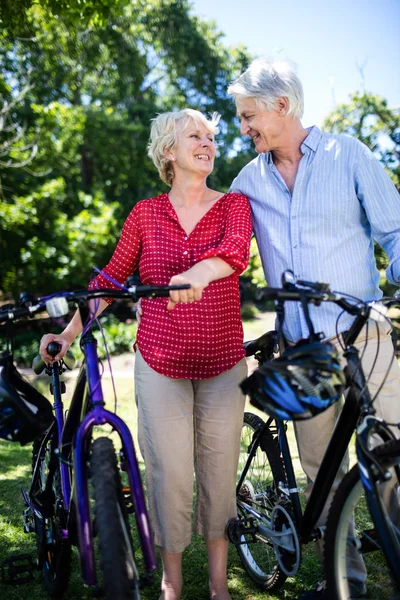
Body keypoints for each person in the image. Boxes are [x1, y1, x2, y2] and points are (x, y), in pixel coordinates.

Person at [40, 108, 252, 600]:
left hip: (224, 362)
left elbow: (236, 251)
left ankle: (219, 585)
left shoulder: (233, 205)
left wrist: (198, 273)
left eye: (210, 136)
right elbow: (111, 281)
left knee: (219, 472)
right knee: (168, 473)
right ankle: (171, 581)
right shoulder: (146, 213)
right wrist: (69, 335)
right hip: (160, 361)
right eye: (193, 135)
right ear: (169, 152)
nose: (207, 142)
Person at [227, 57, 400, 599]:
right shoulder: (245, 182)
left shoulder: (348, 154)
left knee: (391, 455)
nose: (243, 127)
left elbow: (395, 233)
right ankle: (343, 581)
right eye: (239, 117)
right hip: (302, 348)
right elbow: (223, 253)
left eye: (249, 114)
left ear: (283, 106)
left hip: (366, 334)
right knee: (321, 469)